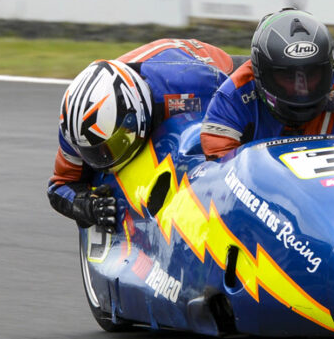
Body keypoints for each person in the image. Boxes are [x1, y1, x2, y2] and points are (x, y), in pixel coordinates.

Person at [48, 39, 238, 232]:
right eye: (93, 154)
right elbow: (59, 186)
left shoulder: (194, 85)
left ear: (133, 118)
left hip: (216, 69)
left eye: (114, 145)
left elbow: (246, 110)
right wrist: (88, 206)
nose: (105, 158)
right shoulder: (76, 130)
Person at [200, 8, 334, 159]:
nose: (301, 89)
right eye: (288, 77)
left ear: (329, 70)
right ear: (260, 73)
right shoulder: (233, 97)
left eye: (311, 74)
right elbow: (219, 175)